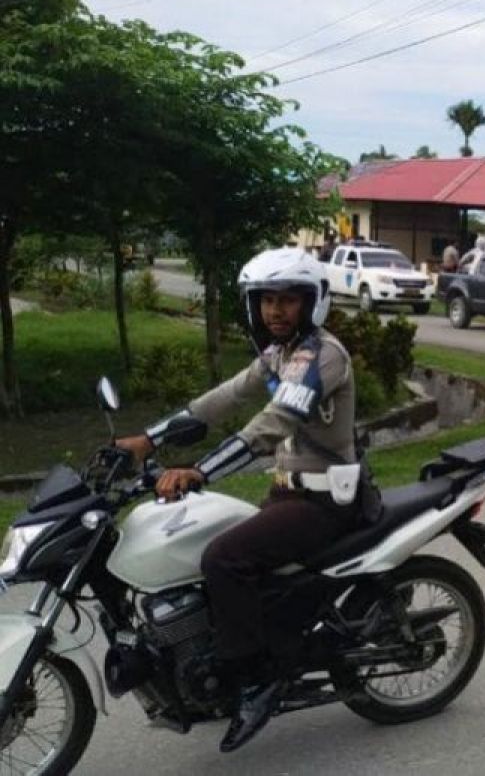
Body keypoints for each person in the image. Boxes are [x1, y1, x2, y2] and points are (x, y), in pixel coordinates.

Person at [116, 247, 360, 753]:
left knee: (223, 558)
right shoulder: (278, 354)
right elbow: (223, 399)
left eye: (288, 300)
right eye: (267, 300)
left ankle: (255, 679)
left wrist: (200, 470)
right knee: (206, 547)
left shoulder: (322, 355)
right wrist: (149, 439)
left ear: (311, 303)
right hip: (289, 493)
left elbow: (273, 423)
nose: (275, 310)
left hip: (325, 502)